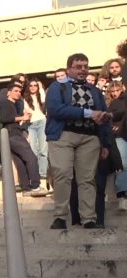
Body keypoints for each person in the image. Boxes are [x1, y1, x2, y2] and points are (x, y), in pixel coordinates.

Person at [45, 53, 112, 229]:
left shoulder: (95, 91)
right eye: (78, 67)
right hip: (62, 136)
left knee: (87, 179)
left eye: (85, 66)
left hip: (90, 138)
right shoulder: (57, 87)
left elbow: (103, 117)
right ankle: (60, 216)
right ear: (69, 69)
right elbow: (55, 109)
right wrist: (88, 113)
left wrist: (105, 143)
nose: (83, 70)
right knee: (62, 174)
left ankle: (88, 218)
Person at [0, 82, 47, 197]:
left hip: (11, 135)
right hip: (13, 135)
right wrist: (23, 117)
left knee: (20, 162)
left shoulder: (13, 104)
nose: (18, 93)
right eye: (15, 91)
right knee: (31, 158)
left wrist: (23, 119)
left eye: (19, 91)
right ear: (8, 93)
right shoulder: (6, 103)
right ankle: (35, 186)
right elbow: (5, 118)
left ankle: (26, 188)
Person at [106, 81, 127, 210]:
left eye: (117, 90)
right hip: (118, 136)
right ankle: (122, 196)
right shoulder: (110, 103)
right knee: (122, 165)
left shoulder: (123, 100)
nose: (115, 93)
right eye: (112, 91)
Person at [23, 78, 49, 179]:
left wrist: (41, 88)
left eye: (35, 85)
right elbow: (26, 110)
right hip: (31, 124)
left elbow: (44, 100)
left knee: (43, 149)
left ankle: (43, 173)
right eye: (31, 85)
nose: (33, 87)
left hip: (42, 122)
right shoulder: (25, 98)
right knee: (33, 150)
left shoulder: (40, 95)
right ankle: (34, 173)